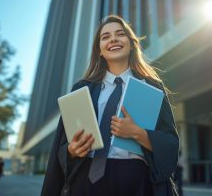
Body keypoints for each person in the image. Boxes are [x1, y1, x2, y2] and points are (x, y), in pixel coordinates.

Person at [41, 15, 179, 196]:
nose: (113, 39)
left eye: (120, 34)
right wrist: (71, 151)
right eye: (105, 37)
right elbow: (61, 148)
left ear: (131, 44)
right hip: (86, 183)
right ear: (99, 50)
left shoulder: (151, 88)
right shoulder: (82, 90)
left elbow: (170, 144)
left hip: (136, 183)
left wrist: (137, 133)